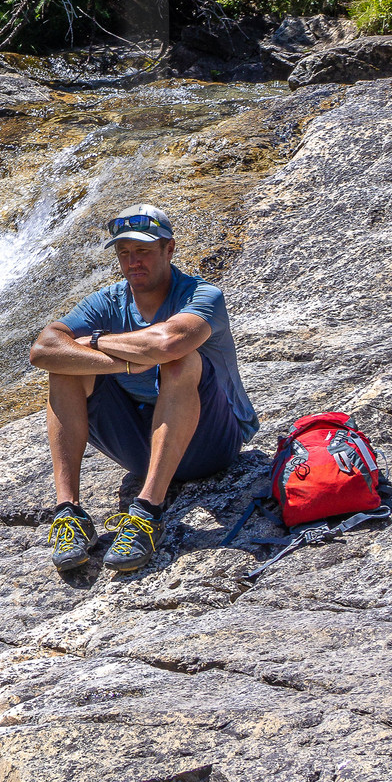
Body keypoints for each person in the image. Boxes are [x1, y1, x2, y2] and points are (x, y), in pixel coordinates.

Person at [29, 202, 258, 578]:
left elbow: (168, 343)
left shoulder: (202, 296)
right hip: (140, 446)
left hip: (212, 445)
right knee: (63, 367)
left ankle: (148, 512)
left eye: (144, 251)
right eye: (124, 253)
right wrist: (131, 361)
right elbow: (43, 349)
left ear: (169, 249)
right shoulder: (108, 300)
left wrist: (97, 341)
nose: (133, 261)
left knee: (181, 359)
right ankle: (68, 512)